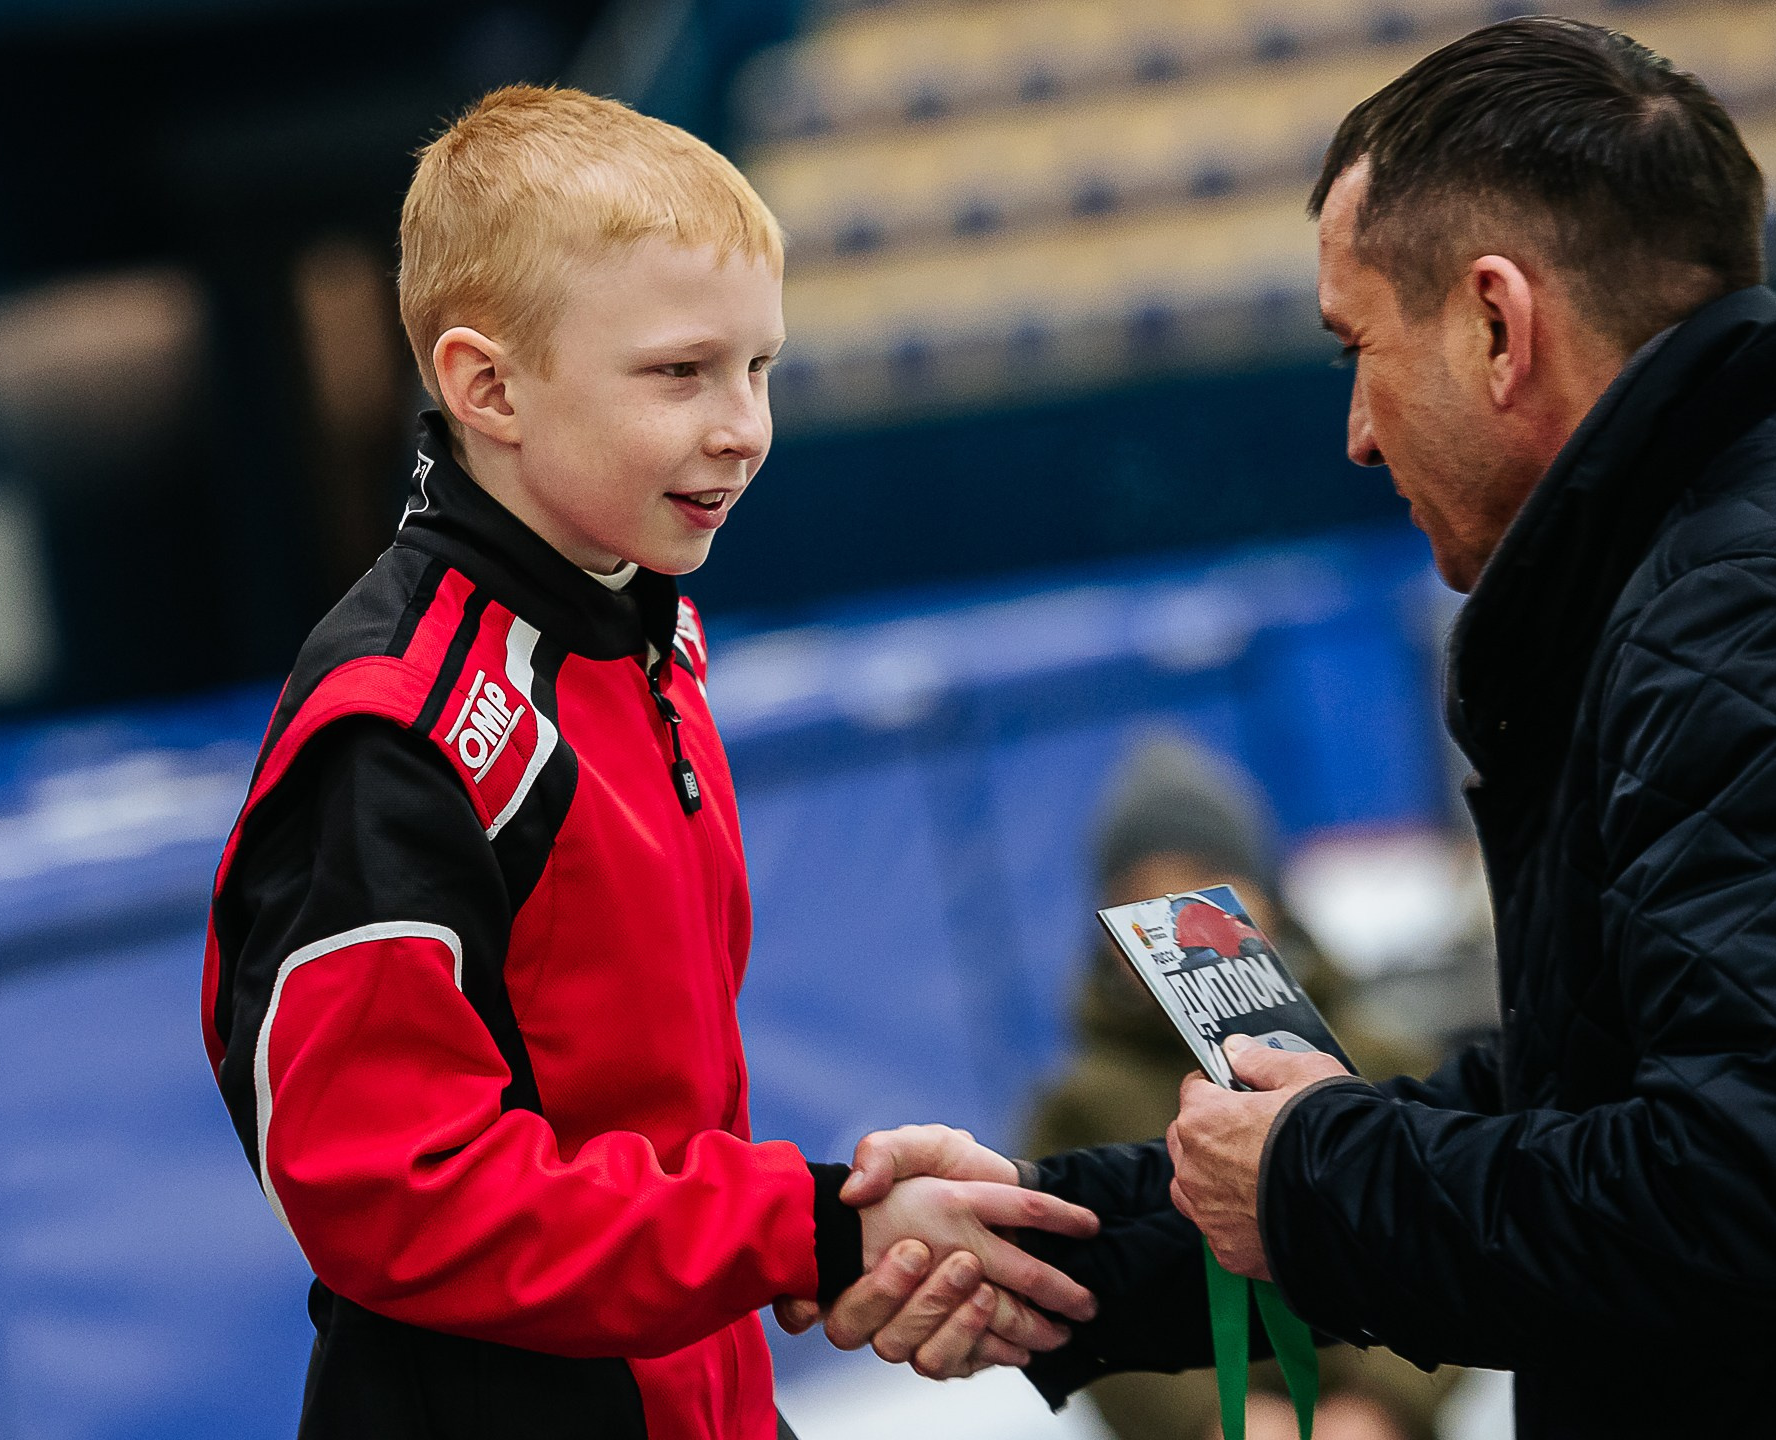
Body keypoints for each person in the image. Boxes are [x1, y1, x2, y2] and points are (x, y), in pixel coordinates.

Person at [821, 17, 1776, 1435]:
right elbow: (1589, 1100)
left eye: (1361, 349)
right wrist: (1049, 1233)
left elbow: (1769, 1204)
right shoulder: (1733, 565)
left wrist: (1309, 1183)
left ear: (1498, 325)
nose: (1356, 428)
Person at [197, 86, 1099, 1440]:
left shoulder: (642, 628)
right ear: (486, 387)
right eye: (681, 373)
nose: (744, 426)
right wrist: (798, 1227)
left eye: (760, 366)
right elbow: (397, 1194)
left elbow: (650, 1132)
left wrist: (836, 1219)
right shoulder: (399, 727)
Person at [1027, 735, 1450, 1440]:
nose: (1171, 913)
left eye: (1201, 881)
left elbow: (1446, 1241)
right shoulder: (1078, 1106)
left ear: (1267, 893)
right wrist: (1213, 1421)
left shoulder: (1384, 1059)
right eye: (1135, 895)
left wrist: (1385, 1405)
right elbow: (1076, 1294)